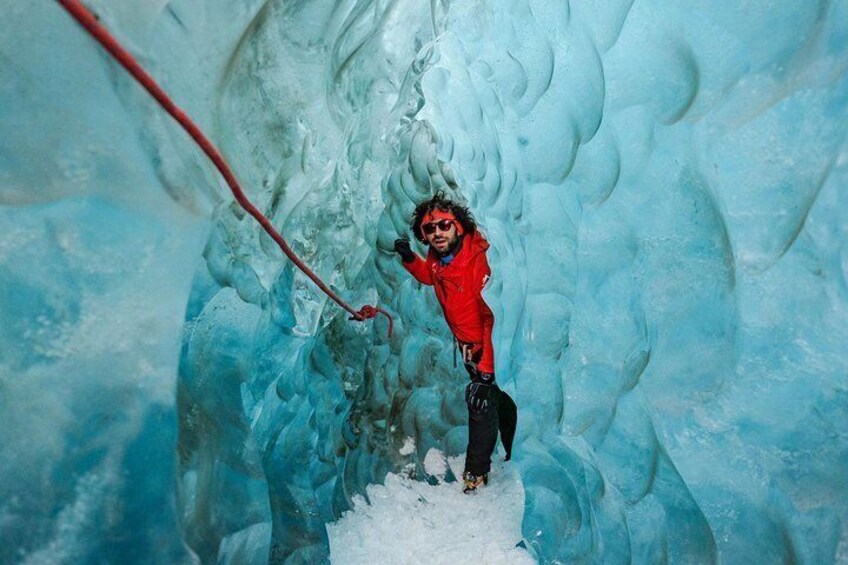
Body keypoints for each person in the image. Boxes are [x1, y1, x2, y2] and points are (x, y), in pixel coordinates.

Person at [393, 190, 517, 494]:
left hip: (490, 348)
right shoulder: (440, 259)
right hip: (469, 347)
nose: (437, 232)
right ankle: (508, 439)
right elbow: (431, 275)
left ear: (459, 226)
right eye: (429, 228)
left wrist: (486, 372)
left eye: (444, 225)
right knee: (493, 398)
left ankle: (477, 472)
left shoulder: (477, 260)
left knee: (480, 403)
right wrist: (411, 259)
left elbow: (491, 317)